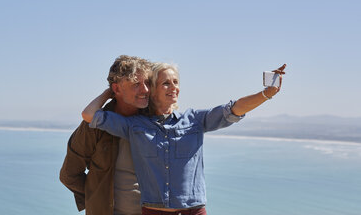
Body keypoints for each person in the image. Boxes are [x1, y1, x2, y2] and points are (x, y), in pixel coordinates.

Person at [82, 62, 286, 215]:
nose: (173, 87)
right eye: (165, 83)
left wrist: (266, 94)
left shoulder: (195, 120)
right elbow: (89, 114)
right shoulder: (134, 126)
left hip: (193, 211)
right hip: (154, 211)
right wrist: (109, 92)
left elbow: (234, 109)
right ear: (152, 91)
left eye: (175, 82)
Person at [59, 55, 152, 215]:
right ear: (116, 89)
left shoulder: (154, 120)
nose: (145, 90)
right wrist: (97, 199)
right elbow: (69, 174)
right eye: (137, 84)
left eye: (147, 83)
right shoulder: (95, 125)